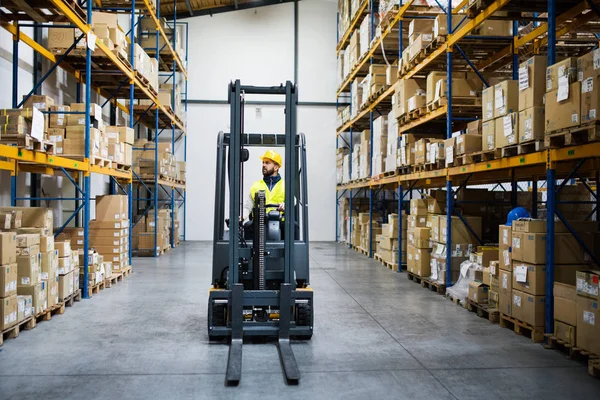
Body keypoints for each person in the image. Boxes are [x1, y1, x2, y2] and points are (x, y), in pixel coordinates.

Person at [242, 150, 285, 222]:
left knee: (294, 226)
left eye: (267, 163)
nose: (264, 165)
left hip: (280, 225)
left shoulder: (285, 185)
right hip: (259, 225)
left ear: (276, 167)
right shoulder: (256, 185)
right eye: (263, 162)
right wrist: (241, 217)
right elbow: (248, 207)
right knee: (247, 226)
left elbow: (293, 202)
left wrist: (284, 205)